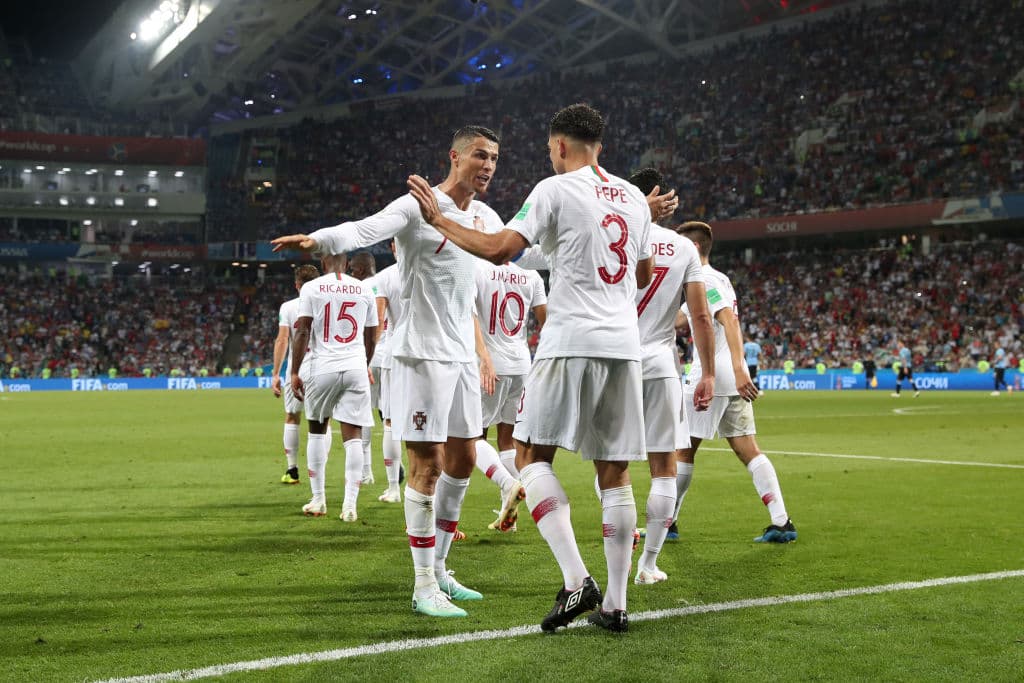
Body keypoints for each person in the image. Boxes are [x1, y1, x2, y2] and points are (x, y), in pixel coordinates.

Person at [406, 103, 704, 633]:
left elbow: (499, 250)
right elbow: (640, 274)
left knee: (529, 455)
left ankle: (575, 580)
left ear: (560, 146)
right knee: (615, 473)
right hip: (624, 348)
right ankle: (616, 605)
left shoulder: (553, 189)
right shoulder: (634, 200)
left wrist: (439, 220)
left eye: (550, 150)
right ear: (600, 147)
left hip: (569, 342)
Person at [273, 125, 505, 618]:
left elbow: (519, 248)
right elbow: (363, 231)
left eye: (493, 158)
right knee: (427, 466)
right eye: (479, 156)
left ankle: (441, 568)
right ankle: (423, 586)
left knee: (463, 460)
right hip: (420, 354)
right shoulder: (416, 205)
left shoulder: (485, 216)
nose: (488, 166)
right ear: (455, 156)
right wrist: (318, 240)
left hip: (463, 355)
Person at [675, 221, 796, 545]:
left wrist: (740, 368)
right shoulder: (719, 279)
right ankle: (781, 521)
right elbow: (681, 319)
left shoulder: (705, 280)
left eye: (679, 245)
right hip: (729, 379)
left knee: (682, 450)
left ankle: (667, 522)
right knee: (748, 449)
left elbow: (727, 319)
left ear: (694, 248)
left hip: (711, 377)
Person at [621, 168, 715, 586]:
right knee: (664, 466)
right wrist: (708, 373)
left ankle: (619, 550)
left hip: (617, 357)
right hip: (660, 362)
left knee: (612, 465)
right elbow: (700, 316)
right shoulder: (683, 248)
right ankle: (648, 565)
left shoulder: (615, 236)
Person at [290, 251, 377, 522]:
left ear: (323, 263)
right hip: (355, 366)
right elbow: (371, 336)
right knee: (353, 436)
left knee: (317, 430)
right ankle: (350, 505)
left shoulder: (312, 288)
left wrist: (294, 371)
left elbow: (303, 330)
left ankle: (318, 499)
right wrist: (364, 363)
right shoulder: (364, 289)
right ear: (347, 263)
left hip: (323, 367)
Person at [471, 256, 547, 532]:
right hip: (521, 364)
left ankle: (508, 483)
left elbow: (471, 316)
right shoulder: (532, 275)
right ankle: (509, 515)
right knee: (507, 440)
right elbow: (546, 321)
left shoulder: (477, 268)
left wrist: (484, 357)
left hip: (491, 366)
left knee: (472, 436)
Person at [272, 264, 321, 485]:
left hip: (297, 368)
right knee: (321, 420)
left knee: (292, 416)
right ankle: (318, 471)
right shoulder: (326, 304)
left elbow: (282, 340)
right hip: (322, 368)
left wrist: (276, 374)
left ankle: (292, 470)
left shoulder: (289, 307)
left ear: (297, 285)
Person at [369, 258, 407, 503]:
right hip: (431, 354)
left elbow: (379, 320)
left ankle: (394, 488)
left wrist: (367, 357)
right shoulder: (433, 266)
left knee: (390, 422)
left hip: (394, 353)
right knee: (428, 426)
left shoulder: (385, 276)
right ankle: (429, 490)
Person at [347, 251, 378, 484]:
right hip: (394, 356)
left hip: (370, 356)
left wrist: (365, 361)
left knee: (362, 416)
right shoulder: (389, 279)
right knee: (390, 418)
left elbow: (366, 332)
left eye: (352, 270)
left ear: (359, 270)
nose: (350, 273)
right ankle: (394, 470)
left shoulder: (358, 289)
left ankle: (366, 472)